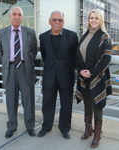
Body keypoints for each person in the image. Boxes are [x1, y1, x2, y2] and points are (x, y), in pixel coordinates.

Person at [0, 6, 38, 138]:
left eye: (19, 14)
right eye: (14, 14)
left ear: (22, 17)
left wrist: (24, 60)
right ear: (10, 16)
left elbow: (34, 51)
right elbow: (0, 52)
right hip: (10, 70)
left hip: (25, 69)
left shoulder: (30, 32)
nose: (17, 17)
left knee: (28, 100)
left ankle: (30, 125)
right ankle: (11, 126)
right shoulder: (2, 33)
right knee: (11, 100)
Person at [37, 11, 78, 139]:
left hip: (66, 75)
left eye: (60, 20)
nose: (57, 22)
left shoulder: (72, 36)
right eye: (54, 19)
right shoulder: (43, 37)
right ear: (49, 21)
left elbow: (75, 56)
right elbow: (45, 55)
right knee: (47, 103)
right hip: (49, 76)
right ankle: (46, 126)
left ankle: (65, 128)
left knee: (66, 104)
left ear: (63, 22)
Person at [75, 9, 112, 148]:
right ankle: (88, 129)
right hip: (84, 76)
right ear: (88, 20)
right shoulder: (84, 36)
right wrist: (81, 71)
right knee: (87, 102)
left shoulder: (105, 37)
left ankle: (97, 135)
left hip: (98, 76)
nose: (93, 20)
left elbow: (107, 59)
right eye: (91, 18)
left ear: (100, 20)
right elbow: (77, 56)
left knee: (97, 105)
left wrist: (92, 72)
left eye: (96, 18)